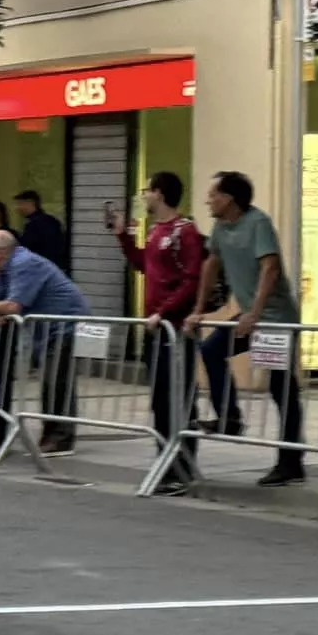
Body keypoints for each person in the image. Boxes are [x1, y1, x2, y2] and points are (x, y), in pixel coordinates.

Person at [186, 171, 307, 487]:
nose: (208, 200)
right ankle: (230, 418)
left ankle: (291, 461)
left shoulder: (258, 223)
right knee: (212, 351)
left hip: (276, 319)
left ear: (229, 199)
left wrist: (254, 313)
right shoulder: (222, 227)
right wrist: (198, 310)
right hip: (249, 318)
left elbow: (270, 267)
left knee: (282, 389)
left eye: (213, 195)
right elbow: (211, 264)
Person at [114, 173, 206, 494]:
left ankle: (181, 466)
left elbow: (191, 280)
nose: (144, 197)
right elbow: (145, 265)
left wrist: (163, 313)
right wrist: (123, 237)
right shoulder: (156, 232)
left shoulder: (185, 232)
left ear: (160, 193)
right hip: (157, 329)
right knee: (160, 399)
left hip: (175, 330)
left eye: (148, 190)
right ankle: (166, 459)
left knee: (177, 398)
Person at [0, 229, 91, 454]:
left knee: (57, 379)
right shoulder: (4, 269)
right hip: (44, 329)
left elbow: (12, 306)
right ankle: (50, 432)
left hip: (65, 324)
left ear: (0, 251)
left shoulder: (24, 264)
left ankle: (61, 436)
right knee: (49, 379)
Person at [12, 189, 70, 271]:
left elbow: (29, 248)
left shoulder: (35, 224)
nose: (18, 208)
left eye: (21, 204)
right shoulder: (50, 220)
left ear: (31, 203)